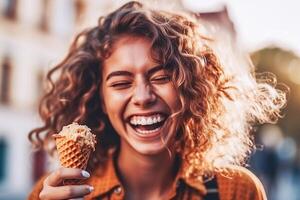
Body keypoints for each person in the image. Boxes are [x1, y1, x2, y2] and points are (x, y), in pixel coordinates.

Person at [28, 1, 287, 200]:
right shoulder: (53, 193)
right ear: (100, 99)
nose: (143, 97)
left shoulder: (236, 190)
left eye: (161, 77)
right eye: (120, 83)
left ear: (189, 87)